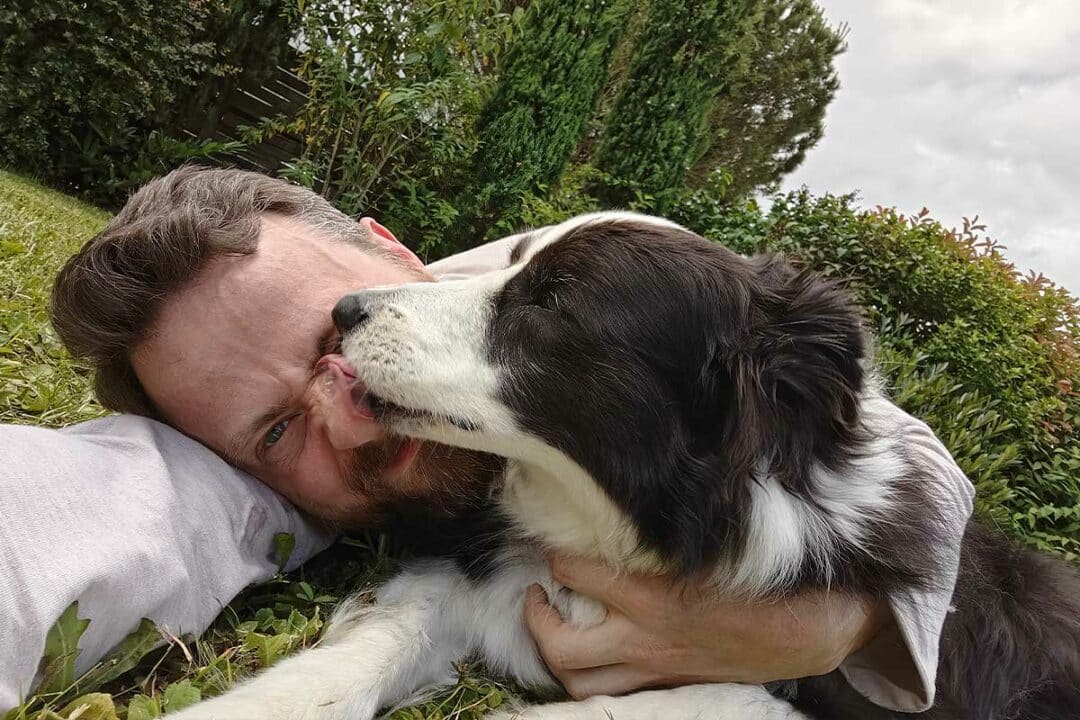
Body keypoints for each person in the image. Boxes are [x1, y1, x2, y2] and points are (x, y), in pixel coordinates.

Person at [1, 167, 973, 713]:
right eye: (278, 430)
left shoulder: (585, 273)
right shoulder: (258, 484)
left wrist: (832, 623)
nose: (354, 413)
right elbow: (106, 502)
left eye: (336, 334)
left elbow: (881, 439)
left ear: (391, 254)